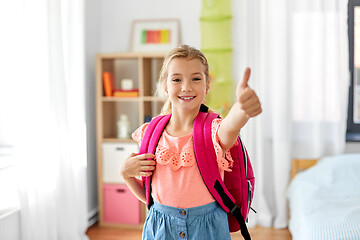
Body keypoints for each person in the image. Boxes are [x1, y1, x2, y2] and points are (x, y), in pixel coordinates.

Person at [120, 45, 262, 240]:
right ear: (165, 86)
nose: (186, 87)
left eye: (196, 78)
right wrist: (125, 174)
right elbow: (151, 198)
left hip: (207, 230)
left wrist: (242, 108)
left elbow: (231, 125)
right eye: (177, 79)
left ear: (207, 85)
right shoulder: (151, 133)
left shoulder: (213, 132)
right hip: (160, 229)